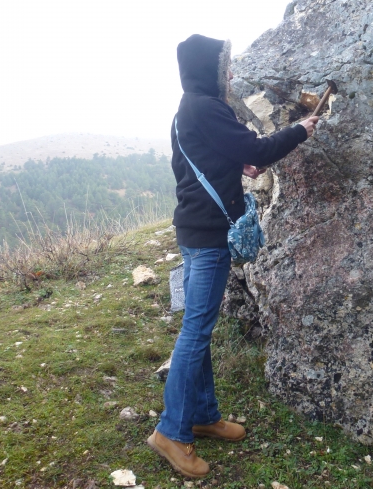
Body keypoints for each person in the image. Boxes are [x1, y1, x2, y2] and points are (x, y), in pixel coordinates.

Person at [147, 34, 319, 478]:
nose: (229, 74)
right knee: (196, 332)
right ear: (208, 69)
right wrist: (300, 130)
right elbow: (257, 149)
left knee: (198, 327)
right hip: (207, 236)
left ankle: (202, 415)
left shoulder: (189, 107)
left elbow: (198, 160)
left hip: (194, 229)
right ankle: (171, 432)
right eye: (224, 66)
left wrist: (234, 165)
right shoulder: (207, 106)